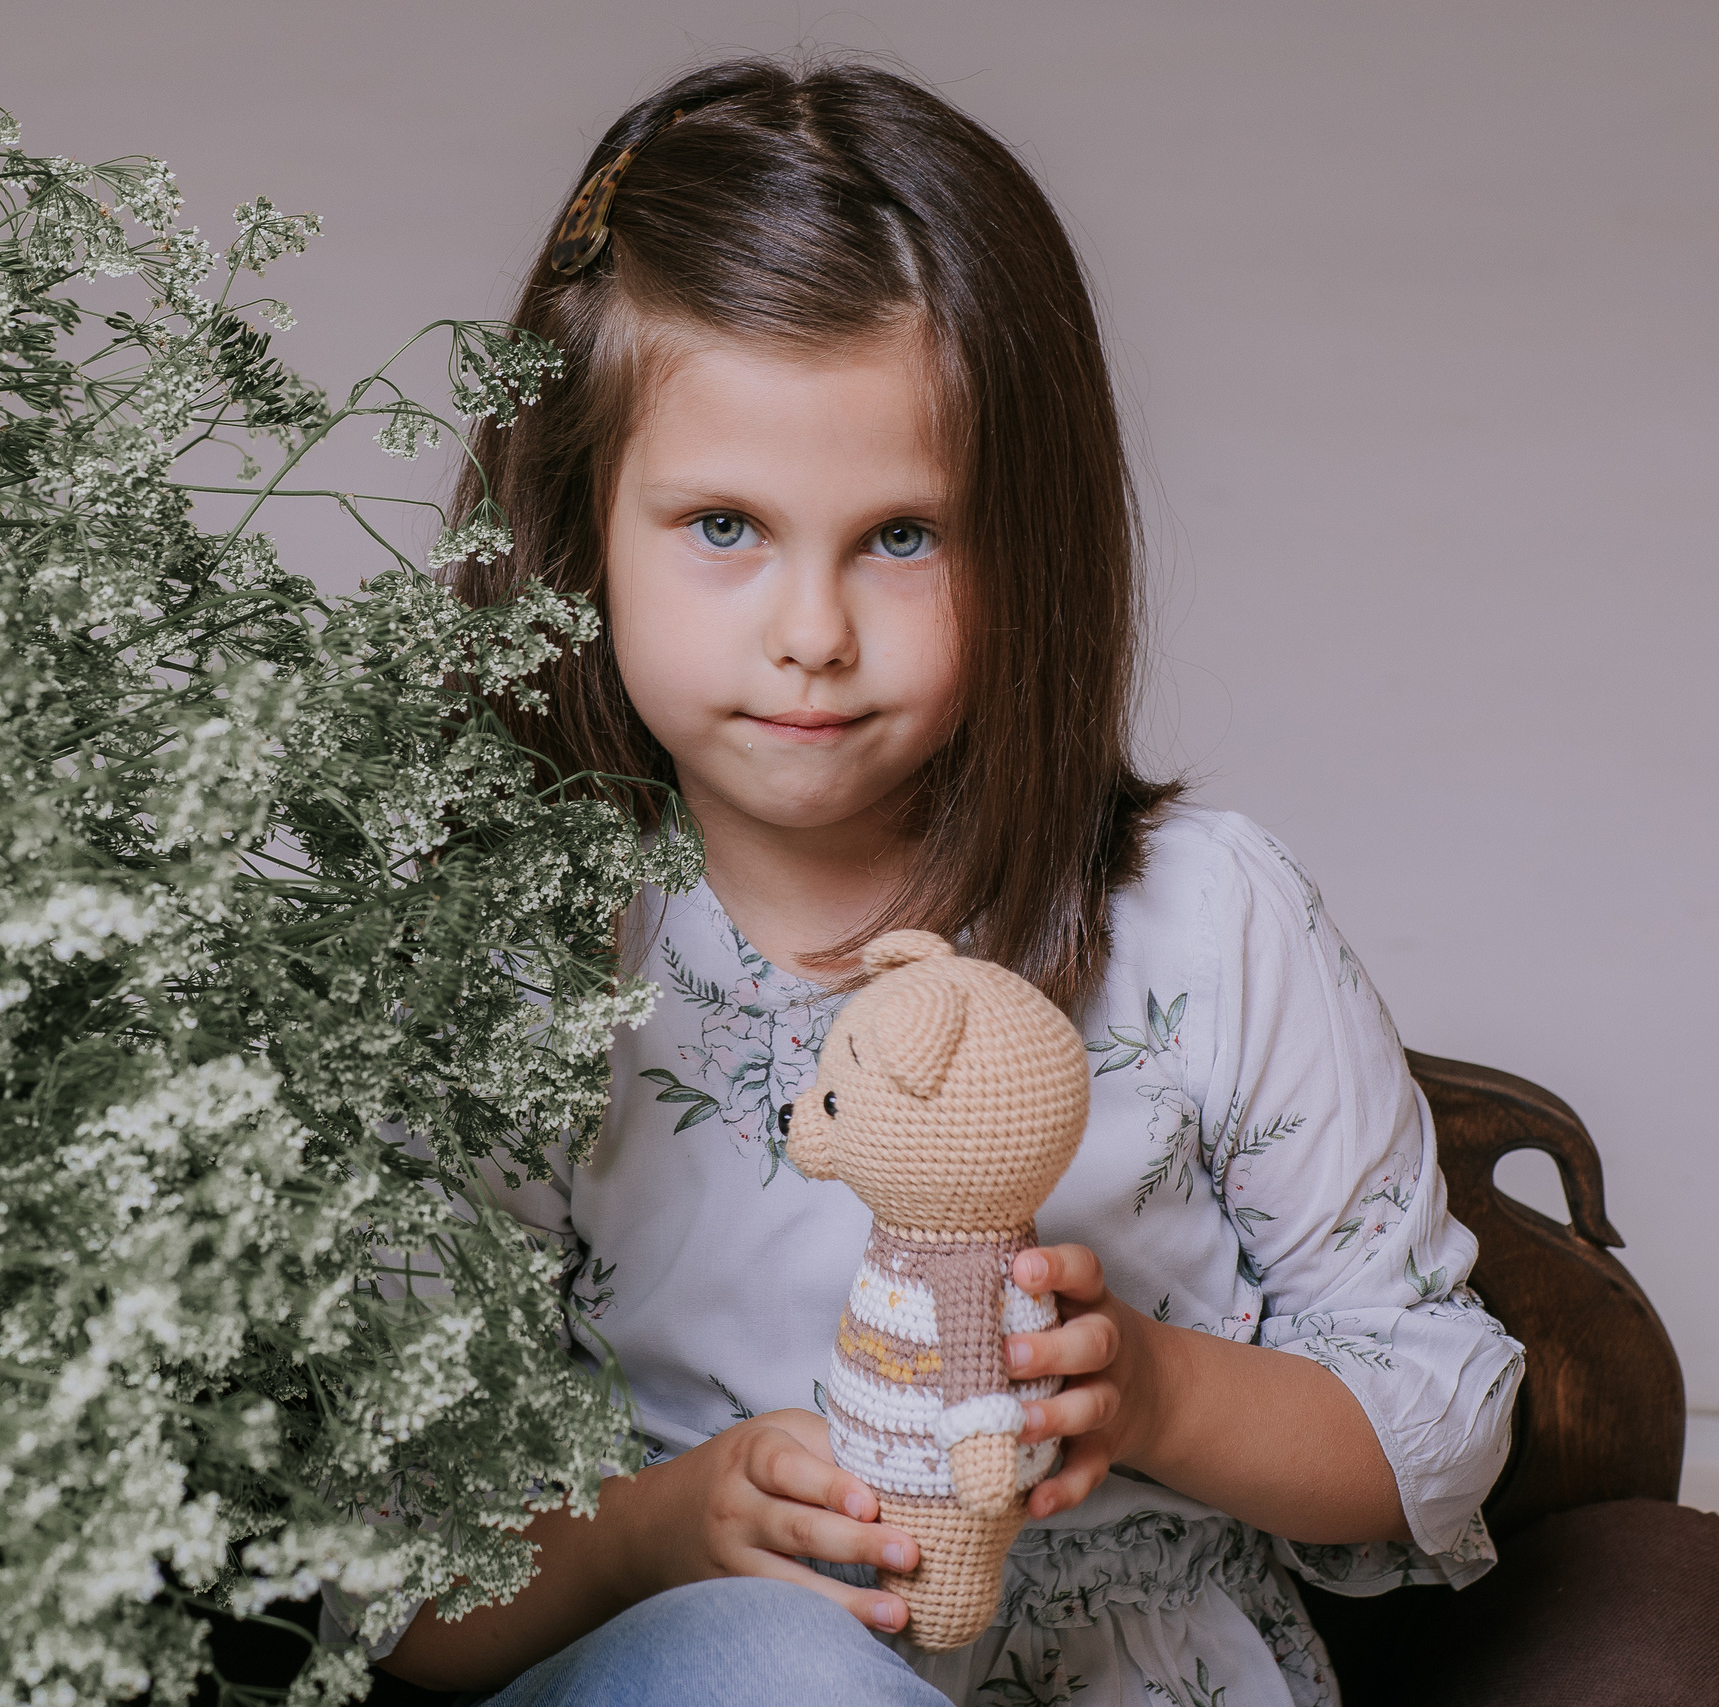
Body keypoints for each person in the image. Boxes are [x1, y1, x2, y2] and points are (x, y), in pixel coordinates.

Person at [329, 57, 1524, 1707]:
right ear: (580, 517)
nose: (811, 632)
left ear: (1030, 544)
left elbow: (1441, 1434)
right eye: (725, 524)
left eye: (903, 535)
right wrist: (662, 1530)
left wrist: (1153, 1398)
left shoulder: (1205, 921)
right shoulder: (511, 961)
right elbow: (392, 1581)